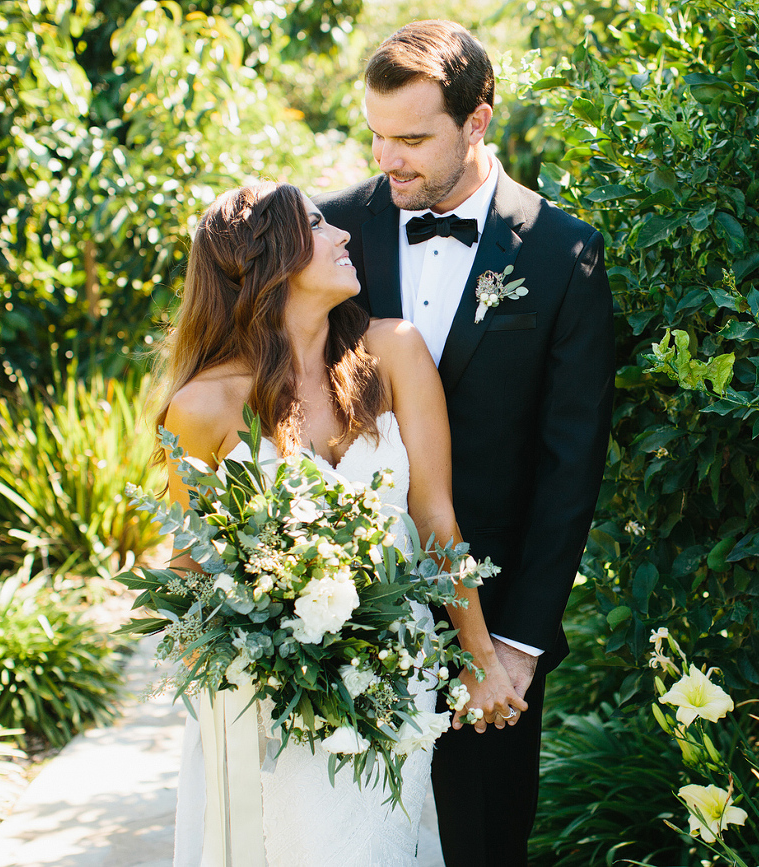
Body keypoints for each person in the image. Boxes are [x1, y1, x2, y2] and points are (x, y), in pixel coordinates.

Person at [155, 180, 527, 866]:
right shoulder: (203, 406)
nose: (343, 235)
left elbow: (435, 516)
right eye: (318, 226)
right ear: (267, 261)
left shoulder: (393, 353)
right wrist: (233, 672)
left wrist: (479, 661)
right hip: (269, 697)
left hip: (396, 674)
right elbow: (189, 566)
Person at [315, 20, 614, 866]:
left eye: (412, 139)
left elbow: (570, 466)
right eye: (376, 136)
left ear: (477, 121)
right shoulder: (330, 233)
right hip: (340, 609)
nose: (389, 160)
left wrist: (517, 647)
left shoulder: (563, 252)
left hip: (493, 621)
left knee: (482, 841)